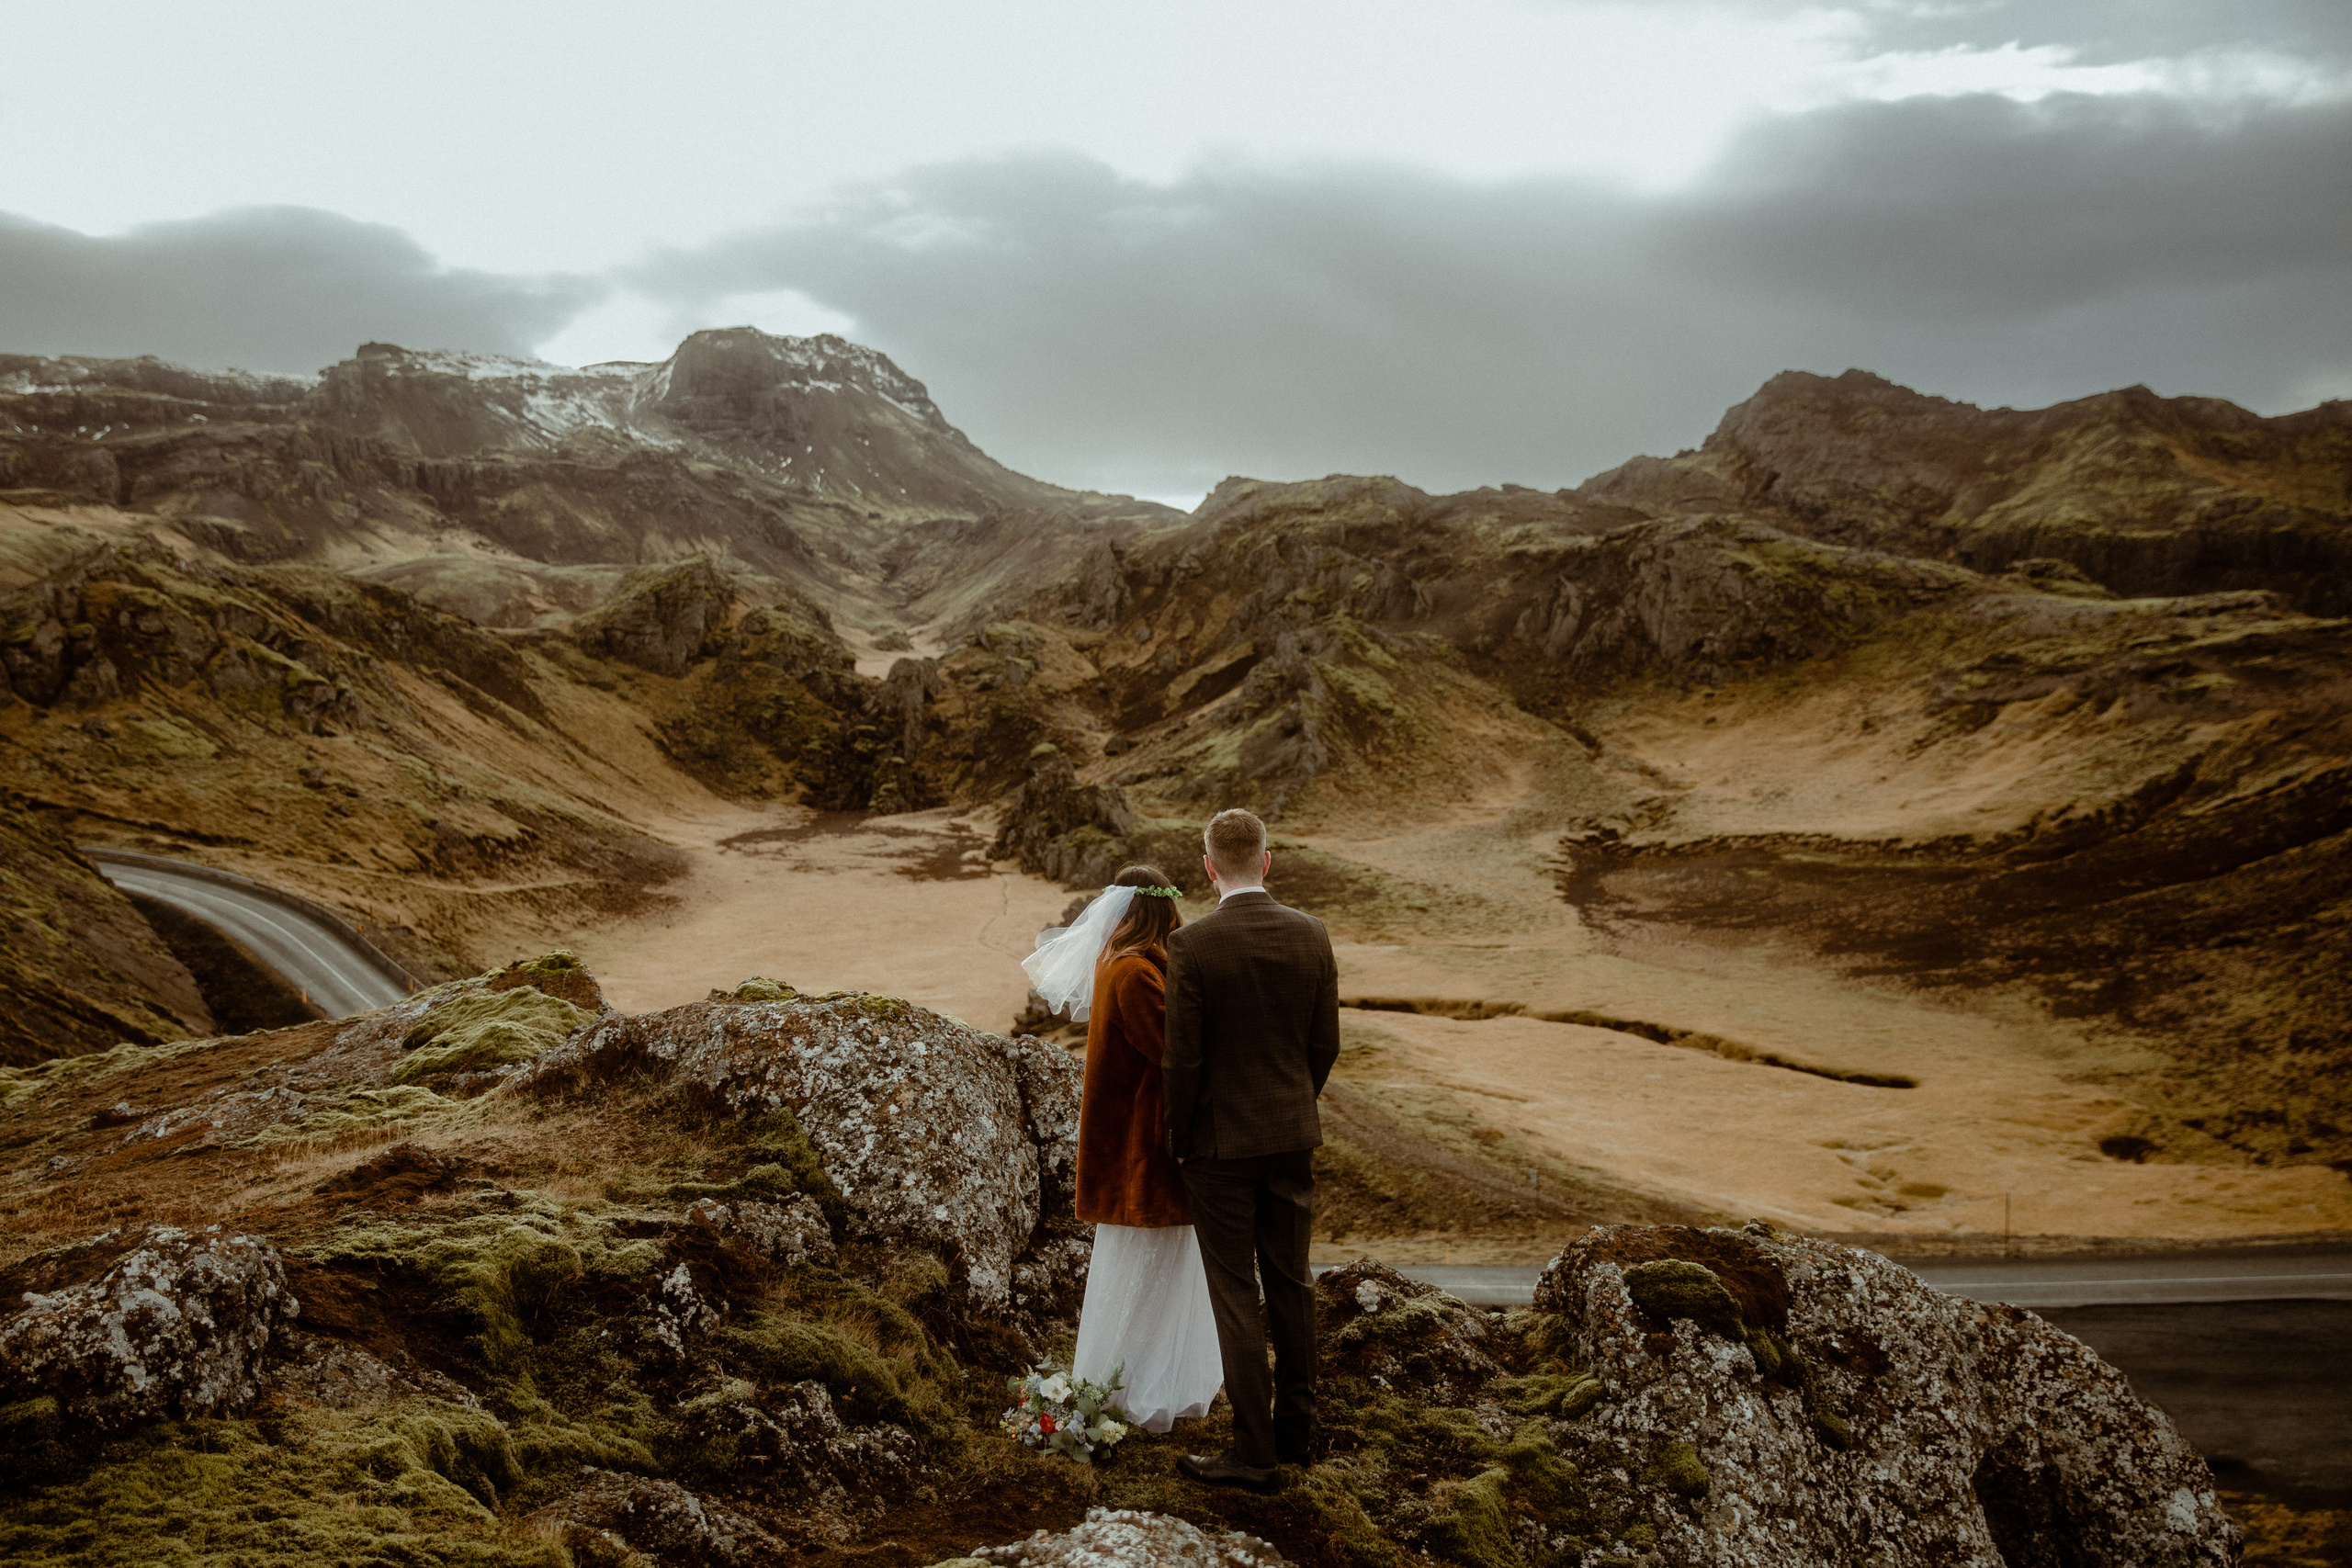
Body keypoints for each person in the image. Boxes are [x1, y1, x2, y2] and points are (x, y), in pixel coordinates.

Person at [1160, 807, 1340, 1493]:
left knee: (1235, 1292)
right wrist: (1297, 1102)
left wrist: (1181, 1139)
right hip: (1292, 1135)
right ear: (1267, 860)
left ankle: (1254, 1452)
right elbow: (1324, 1045)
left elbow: (1183, 1062)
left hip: (1218, 1146)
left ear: (1209, 867)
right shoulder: (1312, 935)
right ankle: (1297, 1435)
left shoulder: (1194, 946)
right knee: (1292, 1282)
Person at [1022, 863, 1223, 1433]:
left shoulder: (1126, 965)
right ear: (1161, 911)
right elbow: (1172, 1049)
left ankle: (1149, 1381)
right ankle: (1142, 1390)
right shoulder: (1135, 973)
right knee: (1151, 1267)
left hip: (1139, 1144)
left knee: (1155, 1268)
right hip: (1145, 1148)